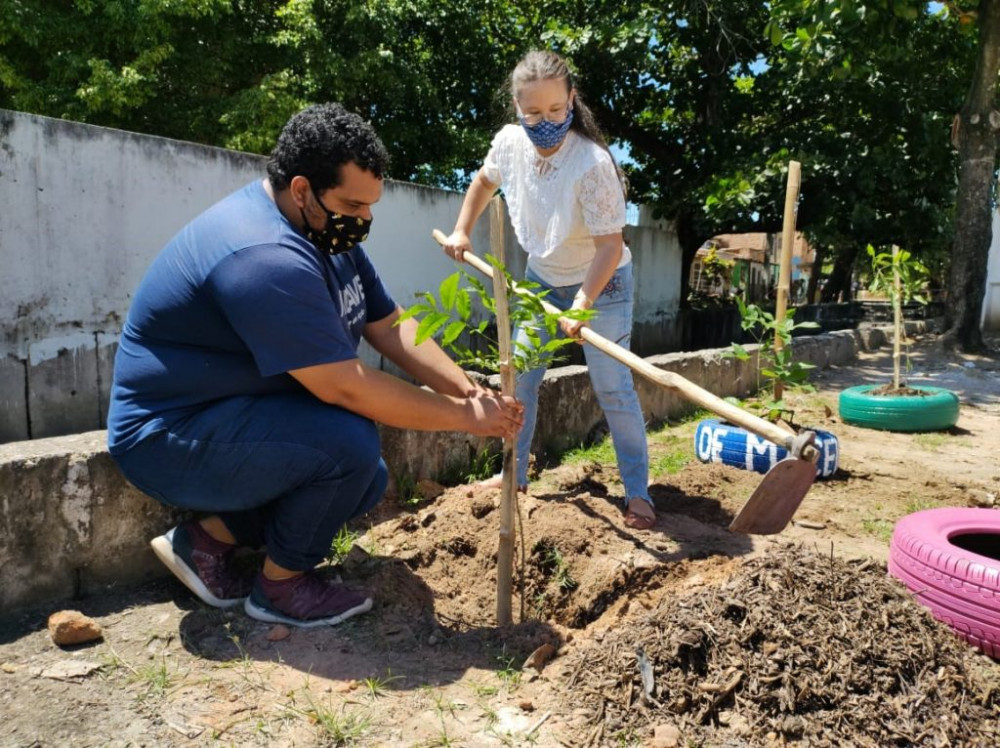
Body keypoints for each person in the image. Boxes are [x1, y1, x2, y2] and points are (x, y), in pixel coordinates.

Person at [107, 103, 523, 628]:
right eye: (354, 204)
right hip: (167, 438)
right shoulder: (264, 256)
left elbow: (390, 324)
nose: (365, 219)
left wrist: (467, 391)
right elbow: (344, 387)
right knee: (347, 444)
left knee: (365, 477)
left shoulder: (327, 233)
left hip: (228, 416)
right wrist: (466, 420)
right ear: (302, 189)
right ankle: (281, 588)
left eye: (371, 205)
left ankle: (204, 543)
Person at [441, 50, 655, 531]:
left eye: (556, 110)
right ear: (517, 108)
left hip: (604, 284)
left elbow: (609, 245)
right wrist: (461, 230)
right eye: (533, 112)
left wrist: (582, 305)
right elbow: (483, 181)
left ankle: (639, 494)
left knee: (613, 387)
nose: (545, 122)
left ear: (572, 100)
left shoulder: (592, 163)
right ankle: (512, 475)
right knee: (520, 380)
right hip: (541, 283)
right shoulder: (509, 143)